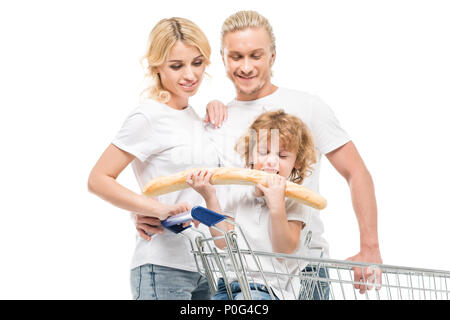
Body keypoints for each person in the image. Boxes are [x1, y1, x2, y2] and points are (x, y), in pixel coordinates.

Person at [136, 10, 382, 298]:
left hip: (305, 270)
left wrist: (370, 245)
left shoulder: (308, 106)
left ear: (272, 56)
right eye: (236, 56)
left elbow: (356, 172)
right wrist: (148, 213)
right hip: (240, 275)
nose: (246, 66)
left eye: (256, 55)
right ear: (224, 59)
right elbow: (201, 187)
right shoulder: (216, 122)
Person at [87, 17, 220, 300]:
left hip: (204, 266)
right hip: (162, 265)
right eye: (176, 65)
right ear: (156, 66)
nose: (190, 74)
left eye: (197, 63)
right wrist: (151, 208)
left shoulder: (196, 118)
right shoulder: (148, 116)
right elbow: (98, 179)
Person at [187, 110, 317, 300]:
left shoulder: (295, 201)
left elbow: (284, 250)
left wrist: (276, 205)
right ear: (250, 155)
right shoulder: (238, 193)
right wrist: (210, 197)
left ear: (296, 161)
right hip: (228, 286)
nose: (271, 161)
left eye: (282, 155)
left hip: (267, 290)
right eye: (263, 152)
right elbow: (224, 243)